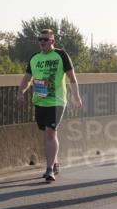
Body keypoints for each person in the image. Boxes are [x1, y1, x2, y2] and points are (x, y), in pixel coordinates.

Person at [15, 29, 84, 182]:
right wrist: (20, 92)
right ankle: (55, 163)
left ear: (52, 41)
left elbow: (72, 78)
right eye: (40, 39)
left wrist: (76, 97)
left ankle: (49, 169)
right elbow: (27, 78)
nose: (42, 42)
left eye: (45, 39)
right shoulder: (35, 58)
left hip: (57, 101)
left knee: (49, 134)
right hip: (40, 101)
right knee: (48, 134)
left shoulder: (61, 55)